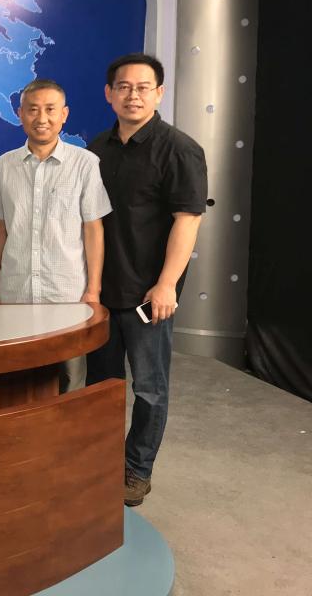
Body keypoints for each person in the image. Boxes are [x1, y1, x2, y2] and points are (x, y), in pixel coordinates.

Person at [87, 52, 207, 507]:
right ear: (109, 93)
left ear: (159, 93)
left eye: (142, 87)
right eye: (123, 87)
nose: (132, 95)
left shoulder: (179, 149)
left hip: (149, 296)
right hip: (101, 293)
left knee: (150, 390)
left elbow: (188, 220)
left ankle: (136, 470)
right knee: (101, 388)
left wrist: (167, 284)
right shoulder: (96, 149)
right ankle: (99, 462)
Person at [0, 79, 111, 392]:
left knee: (71, 379)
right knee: (16, 378)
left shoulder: (85, 164)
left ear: (64, 114)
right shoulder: (3, 166)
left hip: (67, 294)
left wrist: (93, 289)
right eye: (33, 110)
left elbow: (93, 228)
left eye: (50, 109)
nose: (41, 118)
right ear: (20, 114)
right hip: (16, 291)